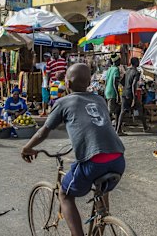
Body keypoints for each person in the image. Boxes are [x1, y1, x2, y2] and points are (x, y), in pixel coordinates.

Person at [21, 63, 125, 236]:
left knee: (64, 195)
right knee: (102, 190)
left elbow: (43, 132)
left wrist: (27, 147)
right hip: (118, 159)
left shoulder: (63, 102)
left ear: (67, 84)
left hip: (93, 161)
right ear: (90, 81)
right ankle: (101, 222)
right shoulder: (99, 100)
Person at [117, 57, 147, 134]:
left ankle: (118, 130)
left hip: (124, 93)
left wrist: (126, 87)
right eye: (138, 61)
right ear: (136, 63)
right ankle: (145, 127)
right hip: (130, 94)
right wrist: (134, 97)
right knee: (140, 109)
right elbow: (134, 85)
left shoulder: (127, 71)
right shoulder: (136, 72)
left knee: (122, 112)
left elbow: (121, 81)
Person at [104, 55, 121, 125]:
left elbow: (106, 81)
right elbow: (114, 83)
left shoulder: (109, 69)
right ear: (116, 61)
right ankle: (106, 125)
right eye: (119, 60)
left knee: (117, 110)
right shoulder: (116, 69)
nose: (120, 62)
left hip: (107, 91)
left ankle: (117, 126)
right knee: (110, 111)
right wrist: (117, 95)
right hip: (112, 92)